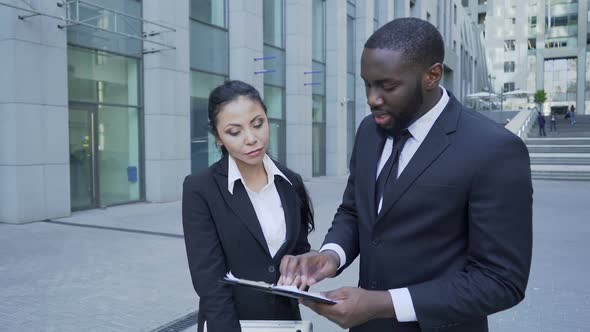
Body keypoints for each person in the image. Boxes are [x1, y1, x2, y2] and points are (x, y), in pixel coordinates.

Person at [279, 18, 532, 332]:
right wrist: (330, 256)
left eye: (387, 86)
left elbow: (501, 280)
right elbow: (354, 210)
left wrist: (386, 304)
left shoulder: (494, 150)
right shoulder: (369, 132)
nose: (372, 98)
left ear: (432, 75)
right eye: (367, 84)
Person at [182, 80, 314, 332]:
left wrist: (300, 278)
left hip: (285, 323)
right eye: (235, 132)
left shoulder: (290, 181)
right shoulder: (200, 188)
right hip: (227, 324)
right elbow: (208, 278)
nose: (252, 139)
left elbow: (299, 250)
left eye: (258, 124)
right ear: (218, 138)